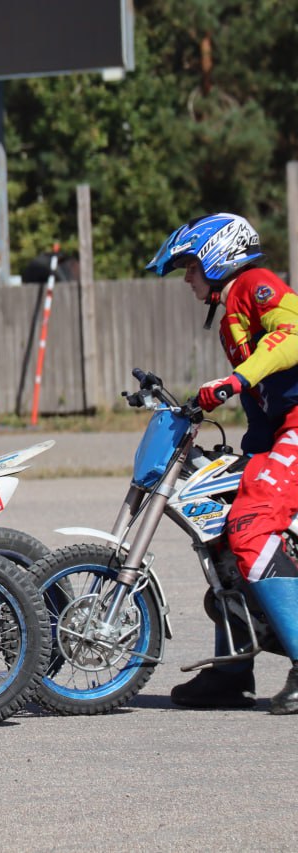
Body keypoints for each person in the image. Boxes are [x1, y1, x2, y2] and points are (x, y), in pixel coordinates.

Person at [147, 212, 298, 714]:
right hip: (273, 431)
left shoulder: (255, 284)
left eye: (190, 267)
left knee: (250, 527)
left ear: (217, 258)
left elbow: (293, 334)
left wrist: (234, 381)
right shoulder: (231, 303)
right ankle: (233, 670)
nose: (187, 278)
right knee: (219, 533)